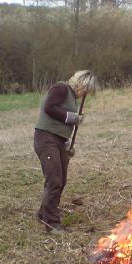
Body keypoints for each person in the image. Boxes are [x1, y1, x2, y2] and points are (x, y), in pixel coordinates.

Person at [33, 70, 98, 234]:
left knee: (61, 180)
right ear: (81, 84)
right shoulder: (61, 89)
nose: (85, 94)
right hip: (46, 139)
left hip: (57, 141)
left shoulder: (71, 98)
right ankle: (52, 223)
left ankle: (44, 213)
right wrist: (72, 117)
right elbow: (49, 108)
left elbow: (61, 128)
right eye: (86, 90)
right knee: (54, 180)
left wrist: (67, 145)